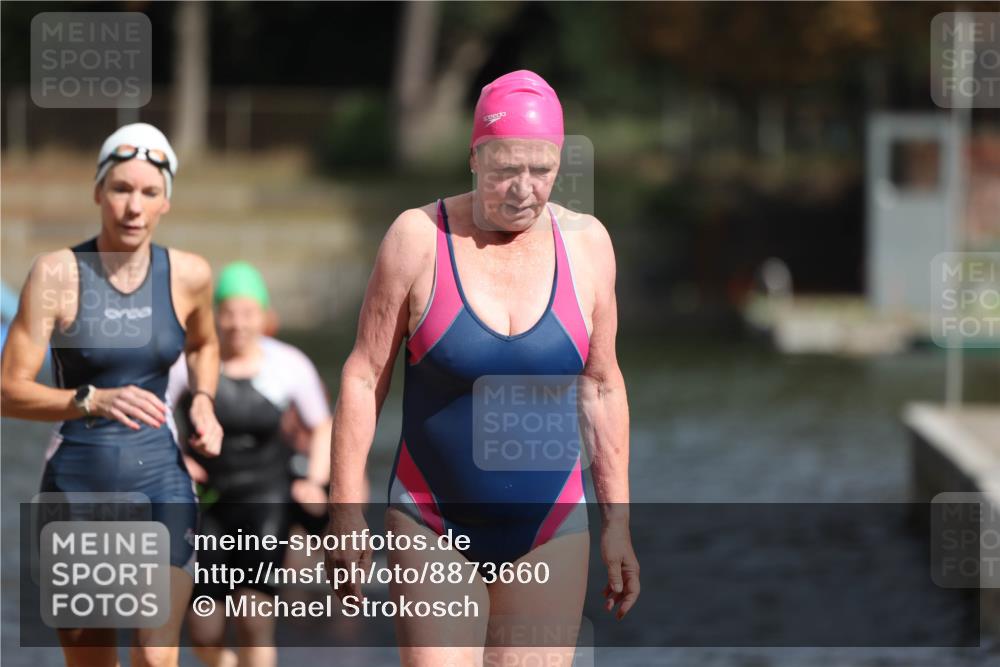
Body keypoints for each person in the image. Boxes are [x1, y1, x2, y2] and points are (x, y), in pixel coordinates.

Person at [324, 70, 639, 666]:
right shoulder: (417, 238)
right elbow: (364, 376)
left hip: (551, 526)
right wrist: (345, 510)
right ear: (474, 157)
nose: (523, 188)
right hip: (432, 522)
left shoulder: (588, 246)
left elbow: (602, 388)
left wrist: (617, 524)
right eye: (504, 169)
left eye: (541, 169)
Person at [0, 122, 223, 667]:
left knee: (154, 655)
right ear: (98, 191)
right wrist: (90, 400)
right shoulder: (55, 273)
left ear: (166, 201)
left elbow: (205, 345)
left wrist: (202, 401)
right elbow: (8, 391)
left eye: (149, 192)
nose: (133, 207)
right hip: (77, 485)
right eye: (121, 189)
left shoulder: (189, 275)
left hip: (161, 484)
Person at [168, 262, 332, 667]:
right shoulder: (190, 362)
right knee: (204, 629)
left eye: (247, 313)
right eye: (228, 313)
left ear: (264, 317)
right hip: (208, 501)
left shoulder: (288, 364)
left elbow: (323, 425)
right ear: (214, 316)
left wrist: (315, 478)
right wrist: (179, 459)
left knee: (253, 614)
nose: (237, 324)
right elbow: (161, 412)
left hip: (266, 497)